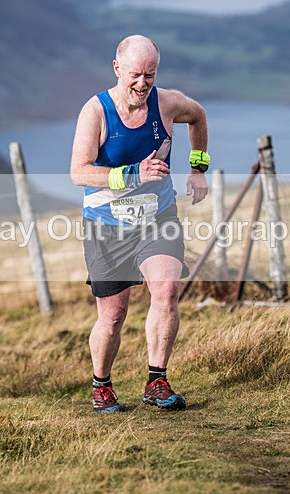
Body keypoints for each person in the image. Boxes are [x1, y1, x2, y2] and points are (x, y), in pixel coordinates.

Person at [70, 35, 210, 412]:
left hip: (157, 218)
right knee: (112, 316)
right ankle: (102, 384)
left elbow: (197, 115)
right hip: (107, 225)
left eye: (150, 74)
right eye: (135, 74)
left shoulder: (166, 104)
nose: (142, 83)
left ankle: (157, 381)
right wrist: (133, 174)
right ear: (117, 69)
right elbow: (78, 172)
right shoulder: (96, 111)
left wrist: (198, 169)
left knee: (166, 291)